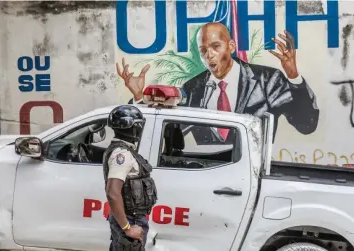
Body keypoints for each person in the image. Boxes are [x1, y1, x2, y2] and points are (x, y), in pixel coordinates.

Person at [117, 22, 319, 143]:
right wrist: (138, 97)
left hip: (252, 178)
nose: (209, 55)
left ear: (230, 46)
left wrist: (293, 77)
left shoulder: (268, 80)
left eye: (215, 46)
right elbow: (160, 130)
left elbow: (307, 125)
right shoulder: (192, 89)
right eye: (203, 50)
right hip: (209, 179)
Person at [103, 105, 158, 251]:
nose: (140, 129)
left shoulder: (126, 150)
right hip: (130, 219)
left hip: (131, 218)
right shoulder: (122, 154)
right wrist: (128, 228)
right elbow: (112, 193)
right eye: (138, 125)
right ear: (131, 127)